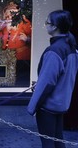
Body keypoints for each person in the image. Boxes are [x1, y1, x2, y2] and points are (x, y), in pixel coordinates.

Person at [27, 10, 78, 148]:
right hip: (62, 102)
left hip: (48, 105)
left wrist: (33, 106)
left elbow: (47, 82)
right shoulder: (71, 47)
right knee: (58, 140)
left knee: (48, 143)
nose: (46, 25)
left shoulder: (54, 51)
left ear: (54, 27)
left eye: (47, 23)